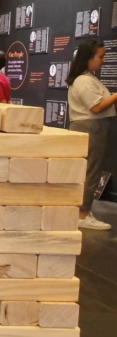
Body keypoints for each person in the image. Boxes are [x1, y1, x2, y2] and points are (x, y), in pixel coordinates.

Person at [67, 40, 117, 230]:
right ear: (88, 58)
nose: (103, 61)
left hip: (93, 128)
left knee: (89, 171)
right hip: (91, 128)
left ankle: (82, 211)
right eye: (101, 56)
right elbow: (96, 107)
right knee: (90, 172)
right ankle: (82, 214)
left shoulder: (87, 78)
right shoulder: (83, 81)